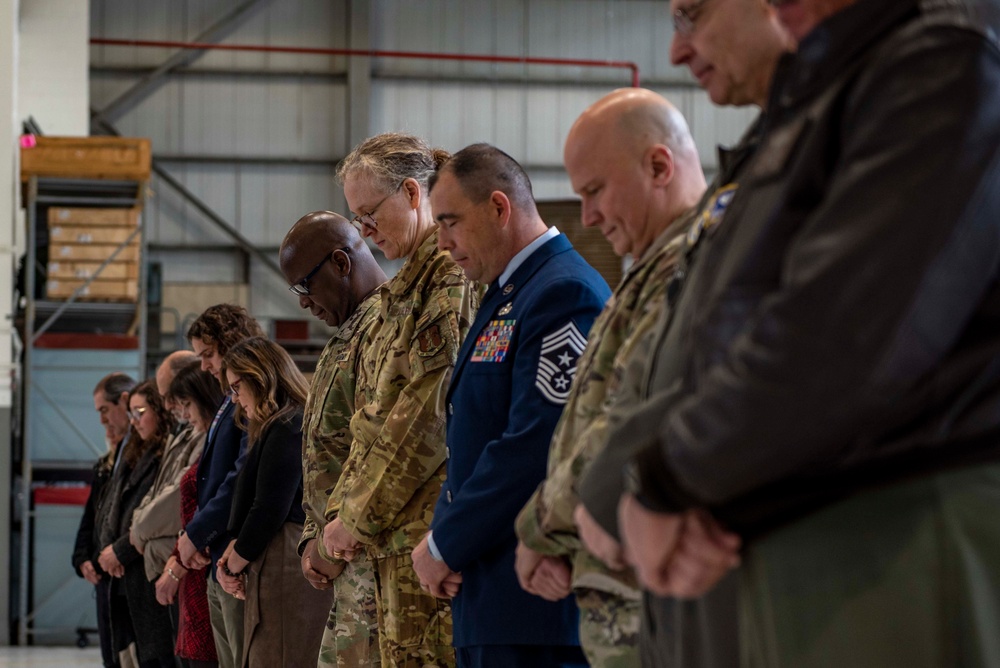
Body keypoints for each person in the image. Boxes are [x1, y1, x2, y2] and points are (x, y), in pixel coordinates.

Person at [579, 0, 1000, 666]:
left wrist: (667, 478)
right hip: (804, 539)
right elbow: (722, 338)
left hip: (896, 535)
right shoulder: (816, 109)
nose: (677, 52)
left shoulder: (935, 67)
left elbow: (843, 336)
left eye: (693, 14)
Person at [512, 88, 706, 667]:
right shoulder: (651, 270)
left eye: (594, 191)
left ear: (657, 166)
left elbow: (633, 421)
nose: (589, 216)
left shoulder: (693, 268)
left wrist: (541, 528)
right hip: (615, 592)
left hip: (654, 602)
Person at [412, 143, 609, 667]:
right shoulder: (508, 294)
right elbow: (470, 437)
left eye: (450, 222)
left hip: (535, 611)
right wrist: (446, 540)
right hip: (490, 592)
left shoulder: (562, 292)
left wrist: (444, 545)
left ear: (499, 207)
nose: (443, 242)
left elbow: (536, 442)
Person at [323, 132, 480, 667]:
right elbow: (372, 418)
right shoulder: (405, 289)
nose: (364, 233)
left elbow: (426, 418)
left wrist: (356, 515)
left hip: (425, 538)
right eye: (356, 220)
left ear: (414, 195)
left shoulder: (449, 279)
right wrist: (342, 511)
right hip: (394, 538)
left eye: (370, 214)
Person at [279, 211, 387, 668]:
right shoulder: (346, 336)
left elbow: (381, 450)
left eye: (305, 285)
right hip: (344, 564)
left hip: (374, 561)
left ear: (341, 263)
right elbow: (324, 454)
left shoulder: (389, 329)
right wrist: (310, 539)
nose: (303, 303)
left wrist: (326, 545)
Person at [214, 336, 332, 667]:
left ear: (262, 376)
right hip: (273, 555)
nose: (236, 399)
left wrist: (233, 563)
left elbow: (269, 508)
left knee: (279, 655)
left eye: (238, 387)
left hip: (284, 555)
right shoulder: (276, 425)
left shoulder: (289, 423)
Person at [181, 304, 265, 668]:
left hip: (237, 553)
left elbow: (240, 475)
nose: (204, 366)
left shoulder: (250, 397)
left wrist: (197, 532)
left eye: (209, 355)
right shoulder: (228, 400)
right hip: (219, 553)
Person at [97, 381, 176, 667]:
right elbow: (112, 504)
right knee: (124, 654)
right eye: (131, 413)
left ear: (160, 410)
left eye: (139, 411)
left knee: (154, 654)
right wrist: (108, 549)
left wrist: (121, 551)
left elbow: (154, 514)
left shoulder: (167, 452)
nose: (134, 421)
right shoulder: (132, 449)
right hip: (120, 570)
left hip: (143, 567)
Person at [159, 361, 226, 668]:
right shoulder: (210, 438)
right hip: (192, 564)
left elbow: (217, 504)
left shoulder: (222, 439)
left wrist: (183, 555)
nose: (183, 414)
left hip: (205, 567)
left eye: (186, 404)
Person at [74, 372, 136, 668]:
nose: (102, 422)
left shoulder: (139, 456)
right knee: (112, 654)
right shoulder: (106, 464)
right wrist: (81, 556)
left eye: (104, 411)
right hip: (104, 571)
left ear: (124, 401)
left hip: (126, 568)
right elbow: (93, 515)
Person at [131, 352, 203, 597]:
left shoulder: (204, 432)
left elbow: (179, 495)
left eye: (170, 395)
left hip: (184, 559)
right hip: (167, 555)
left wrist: (140, 529)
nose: (168, 405)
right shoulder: (185, 431)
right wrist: (138, 524)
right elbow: (159, 489)